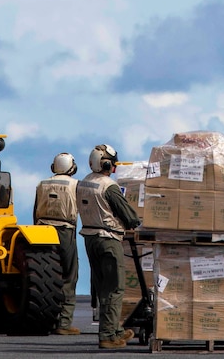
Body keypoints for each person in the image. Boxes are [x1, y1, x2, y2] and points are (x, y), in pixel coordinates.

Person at [76, 144, 140, 350]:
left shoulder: (84, 182)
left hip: (90, 238)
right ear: (106, 164)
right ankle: (107, 336)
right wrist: (135, 222)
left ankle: (115, 330)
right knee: (114, 288)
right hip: (108, 240)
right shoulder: (108, 186)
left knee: (103, 287)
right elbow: (129, 216)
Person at [35, 152, 81, 335]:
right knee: (69, 276)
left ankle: (47, 318)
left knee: (47, 276)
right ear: (72, 167)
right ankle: (64, 322)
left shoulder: (42, 184)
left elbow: (35, 209)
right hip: (65, 231)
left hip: (42, 231)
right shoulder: (75, 185)